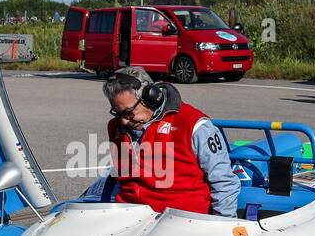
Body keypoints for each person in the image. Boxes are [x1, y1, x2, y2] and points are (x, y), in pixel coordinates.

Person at [83, 67, 240, 217]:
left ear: (151, 97)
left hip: (183, 222)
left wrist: (222, 227)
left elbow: (224, 183)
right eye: (117, 113)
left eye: (128, 113)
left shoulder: (195, 125)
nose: (123, 121)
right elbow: (124, 179)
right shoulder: (116, 127)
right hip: (130, 218)